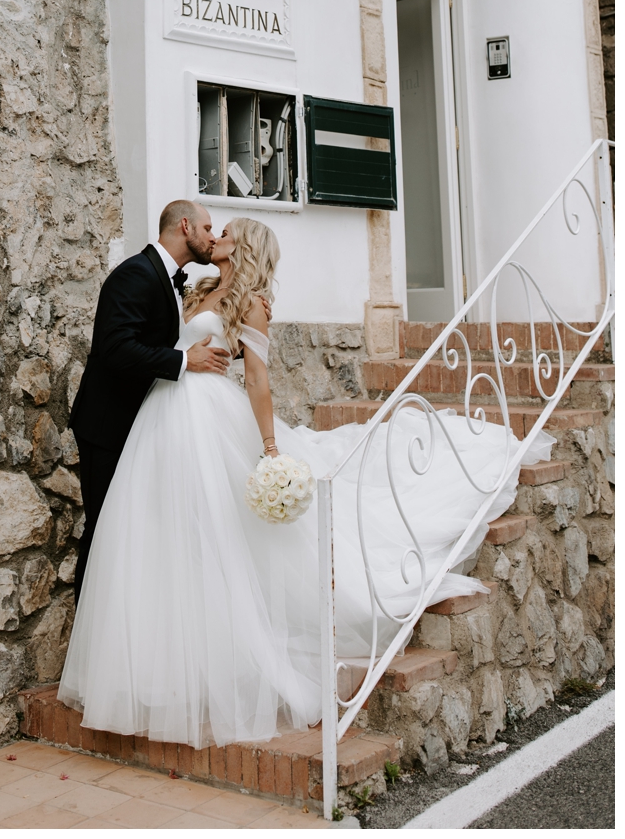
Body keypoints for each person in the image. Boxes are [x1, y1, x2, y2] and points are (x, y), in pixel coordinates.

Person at [59, 216, 551, 748]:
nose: (216, 236)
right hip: (163, 419)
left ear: (245, 247)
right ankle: (165, 663)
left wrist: (271, 447)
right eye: (212, 229)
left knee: (222, 534)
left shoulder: (251, 304)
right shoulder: (198, 289)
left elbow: (257, 377)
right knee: (169, 538)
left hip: (207, 418)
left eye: (227, 232)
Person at [66, 199, 231, 601]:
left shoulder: (168, 278)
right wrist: (184, 362)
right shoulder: (136, 273)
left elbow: (167, 339)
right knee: (103, 533)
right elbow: (115, 348)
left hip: (141, 426)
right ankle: (88, 630)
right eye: (208, 228)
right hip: (108, 427)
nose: (212, 237)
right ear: (185, 226)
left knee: (130, 535)